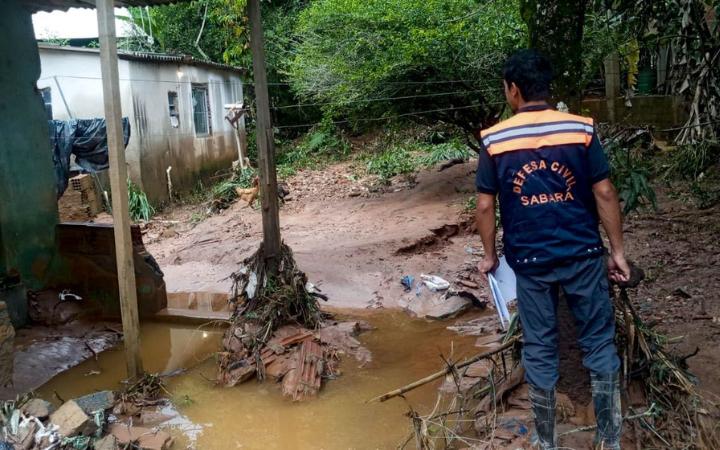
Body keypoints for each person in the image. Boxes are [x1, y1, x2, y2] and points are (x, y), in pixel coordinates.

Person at [474, 49, 631, 450]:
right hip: (582, 255)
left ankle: (547, 443)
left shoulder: (494, 139)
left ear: (512, 90)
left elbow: (485, 205)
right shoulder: (581, 129)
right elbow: (605, 191)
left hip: (529, 262)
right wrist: (617, 252)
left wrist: (491, 257)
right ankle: (609, 441)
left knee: (540, 348)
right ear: (547, 86)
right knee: (597, 342)